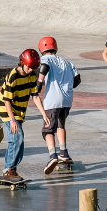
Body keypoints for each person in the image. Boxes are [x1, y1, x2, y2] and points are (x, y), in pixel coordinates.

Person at [0, 50, 47, 181]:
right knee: (17, 136)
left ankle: (8, 168)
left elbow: (35, 97)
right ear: (22, 62)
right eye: (28, 67)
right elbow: (6, 100)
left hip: (19, 111)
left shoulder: (31, 76)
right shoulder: (13, 76)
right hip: (6, 109)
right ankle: (10, 169)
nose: (30, 70)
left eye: (33, 68)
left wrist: (44, 115)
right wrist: (12, 120)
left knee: (16, 139)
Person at [37, 36, 80, 173]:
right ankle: (64, 153)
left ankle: (52, 156)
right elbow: (77, 79)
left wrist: (39, 83)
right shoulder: (66, 62)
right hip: (67, 100)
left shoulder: (45, 59)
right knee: (61, 125)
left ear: (41, 50)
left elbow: (44, 67)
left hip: (52, 100)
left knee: (47, 130)